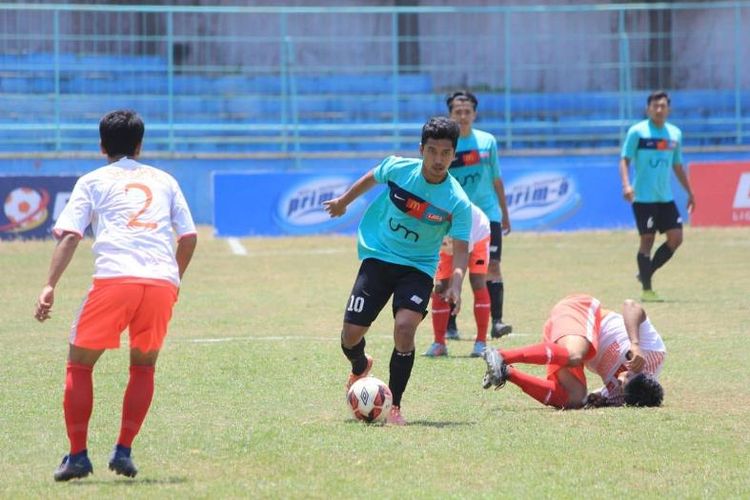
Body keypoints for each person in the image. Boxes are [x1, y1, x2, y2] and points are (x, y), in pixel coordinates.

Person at [34, 110, 198, 481]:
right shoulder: (165, 180)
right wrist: (174, 281)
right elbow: (188, 237)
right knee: (143, 366)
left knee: (80, 364)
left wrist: (49, 285)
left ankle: (77, 456)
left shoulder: (91, 181)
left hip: (114, 280)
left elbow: (71, 235)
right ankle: (123, 450)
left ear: (102, 145)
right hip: (159, 282)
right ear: (139, 145)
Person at [324, 116, 472, 426]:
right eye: (432, 151)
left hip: (418, 268)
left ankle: (394, 408)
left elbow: (460, 250)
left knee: (405, 329)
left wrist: (457, 283)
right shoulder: (399, 168)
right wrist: (343, 202)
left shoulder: (457, 201)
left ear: (453, 155)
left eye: (445, 153)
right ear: (421, 150)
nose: (438, 159)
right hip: (378, 256)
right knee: (350, 337)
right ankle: (360, 364)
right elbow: (373, 176)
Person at [481, 294, 666, 409]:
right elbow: (630, 305)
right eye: (627, 377)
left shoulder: (623, 396)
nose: (619, 380)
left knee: (576, 398)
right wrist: (635, 343)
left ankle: (506, 373)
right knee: (575, 355)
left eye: (622, 386)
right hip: (581, 311)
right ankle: (501, 355)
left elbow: (599, 398)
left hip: (562, 346)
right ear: (644, 373)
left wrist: (597, 400)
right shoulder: (654, 354)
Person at [446, 90, 512, 339]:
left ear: (474, 114)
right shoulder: (446, 144)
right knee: (453, 269)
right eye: (457, 112)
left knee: (492, 266)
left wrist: (504, 213)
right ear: (450, 114)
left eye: (467, 112)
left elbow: (497, 179)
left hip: (488, 215)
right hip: (455, 216)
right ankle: (450, 325)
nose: (462, 116)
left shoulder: (488, 142)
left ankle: (497, 321)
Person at [619, 90, 696, 302]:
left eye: (663, 106)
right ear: (648, 109)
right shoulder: (638, 132)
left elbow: (677, 165)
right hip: (643, 198)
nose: (659, 109)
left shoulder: (674, 134)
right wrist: (626, 185)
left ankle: (645, 273)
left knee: (676, 238)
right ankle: (647, 290)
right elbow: (624, 159)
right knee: (647, 240)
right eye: (655, 106)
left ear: (668, 109)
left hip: (665, 198)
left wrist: (690, 192)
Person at [424, 202, 491, 358]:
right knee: (440, 287)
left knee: (477, 281)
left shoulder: (462, 217)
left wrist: (456, 288)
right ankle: (439, 343)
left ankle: (481, 343)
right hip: (446, 241)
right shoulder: (425, 215)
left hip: (479, 234)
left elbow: (461, 258)